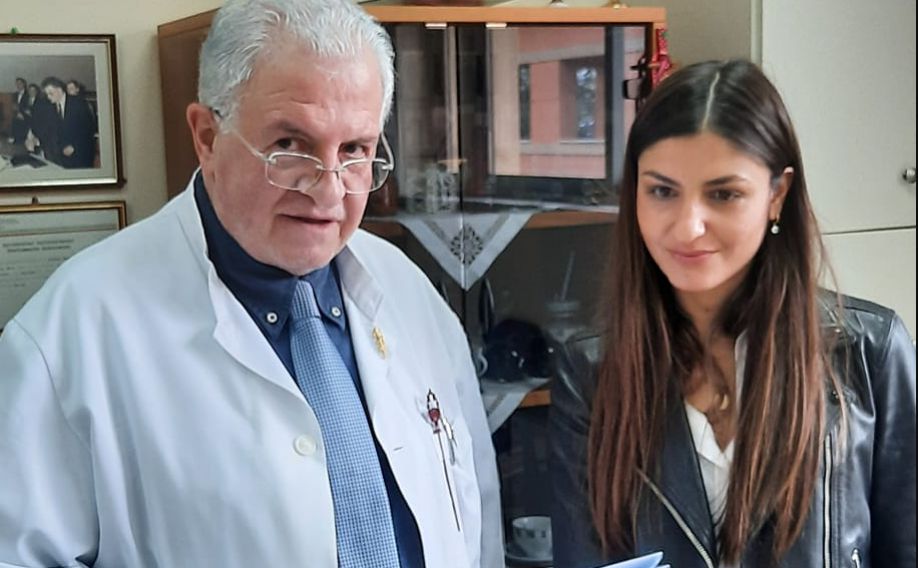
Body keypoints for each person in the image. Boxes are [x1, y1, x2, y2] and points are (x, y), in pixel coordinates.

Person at [0, 0, 502, 566]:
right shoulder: (72, 332)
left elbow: (476, 517)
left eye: (354, 151)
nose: (329, 191)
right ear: (207, 136)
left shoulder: (411, 294)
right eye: (290, 146)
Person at [550, 59, 915, 567]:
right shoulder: (592, 374)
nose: (688, 226)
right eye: (662, 191)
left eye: (723, 194)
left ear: (776, 195)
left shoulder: (868, 353)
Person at [40, 76, 97, 168]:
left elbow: (89, 129)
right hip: (62, 156)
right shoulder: (50, 107)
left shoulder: (78, 103)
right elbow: (50, 129)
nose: (48, 97)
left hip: (80, 154)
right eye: (47, 94)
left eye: (50, 93)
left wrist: (74, 146)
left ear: (59, 90)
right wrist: (37, 139)